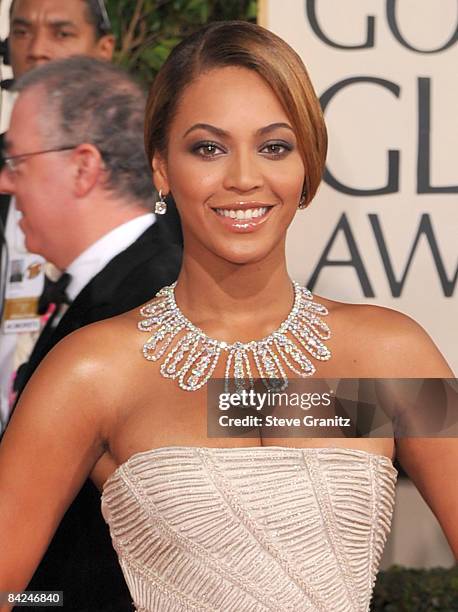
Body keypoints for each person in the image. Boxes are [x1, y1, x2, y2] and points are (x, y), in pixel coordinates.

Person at [0, 20, 457, 612]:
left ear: (306, 166)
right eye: (208, 148)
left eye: (274, 146)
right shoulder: (92, 372)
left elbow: (244, 409)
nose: (243, 178)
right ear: (160, 167)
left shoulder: (392, 353)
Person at [0, 57, 182, 611]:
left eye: (16, 160)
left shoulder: (156, 301)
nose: (5, 181)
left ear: (84, 167)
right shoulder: (112, 289)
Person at [0, 0, 115, 431]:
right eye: (23, 31)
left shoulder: (150, 171)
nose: (38, 50)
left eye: (62, 33)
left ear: (103, 50)